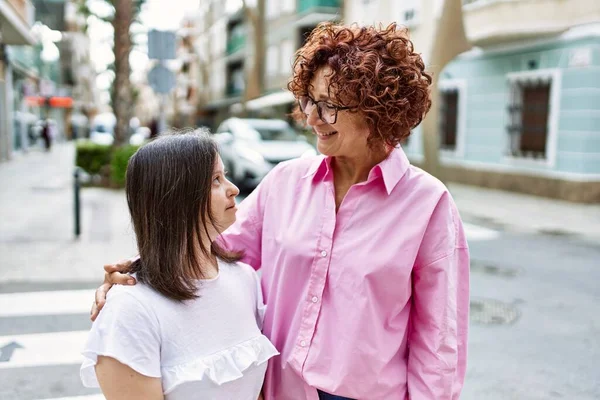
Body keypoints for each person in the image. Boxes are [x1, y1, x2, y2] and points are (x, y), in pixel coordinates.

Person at [92, 22, 470, 400]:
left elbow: (440, 341)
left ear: (376, 109)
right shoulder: (286, 182)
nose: (312, 117)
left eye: (329, 106)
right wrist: (138, 272)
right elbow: (211, 244)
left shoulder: (427, 204)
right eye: (309, 100)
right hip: (281, 391)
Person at [81, 129, 278, 400]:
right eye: (216, 180)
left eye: (226, 176)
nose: (233, 189)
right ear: (178, 197)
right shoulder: (130, 309)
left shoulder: (244, 279)